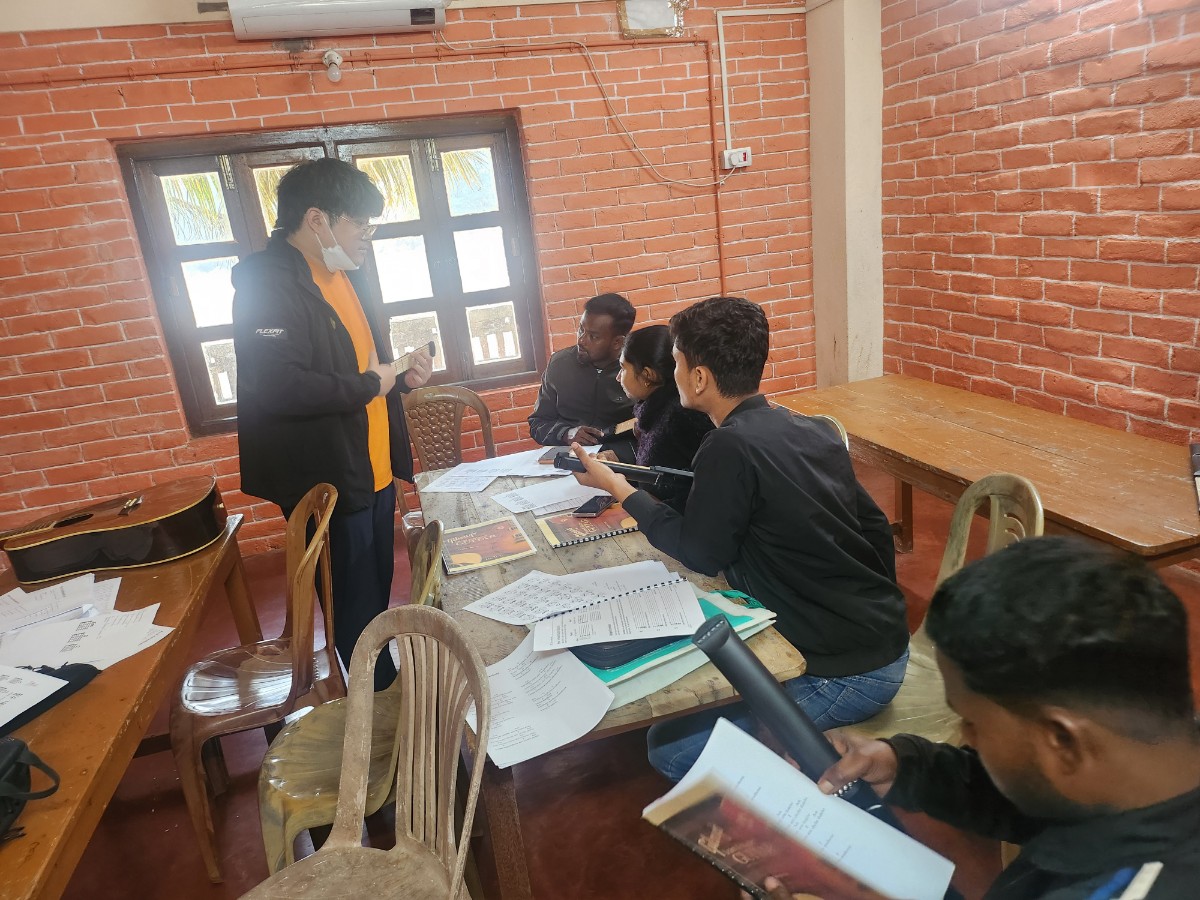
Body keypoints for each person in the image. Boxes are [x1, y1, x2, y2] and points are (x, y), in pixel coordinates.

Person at [570, 296, 909, 781]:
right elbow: (874, 528)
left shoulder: (728, 445)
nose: (673, 374)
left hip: (850, 673)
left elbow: (701, 553)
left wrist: (620, 489)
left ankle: (804, 791)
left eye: (677, 363)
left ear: (699, 378)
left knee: (671, 748)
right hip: (881, 639)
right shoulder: (809, 428)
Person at [751, 536, 1200, 900]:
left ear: (1062, 740)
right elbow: (1030, 792)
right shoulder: (1147, 764)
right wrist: (903, 764)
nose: (967, 736)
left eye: (973, 723)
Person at [232, 158, 433, 692]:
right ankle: (376, 698)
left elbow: (359, 366)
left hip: (372, 466)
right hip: (328, 476)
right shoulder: (264, 283)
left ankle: (383, 682)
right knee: (351, 600)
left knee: (377, 588)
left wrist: (399, 378)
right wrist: (372, 383)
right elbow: (281, 386)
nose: (367, 235)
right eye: (359, 223)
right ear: (316, 218)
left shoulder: (344, 273)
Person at [598, 323, 713, 508]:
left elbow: (686, 493)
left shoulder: (680, 417)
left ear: (647, 375)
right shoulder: (656, 410)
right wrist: (621, 466)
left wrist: (613, 482)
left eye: (623, 368)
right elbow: (662, 473)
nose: (618, 377)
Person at [527, 292, 637, 453]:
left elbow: (650, 427)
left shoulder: (636, 370)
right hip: (569, 458)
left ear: (617, 342)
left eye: (593, 336)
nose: (581, 340)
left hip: (621, 460)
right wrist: (565, 434)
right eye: (581, 329)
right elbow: (538, 423)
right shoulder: (559, 364)